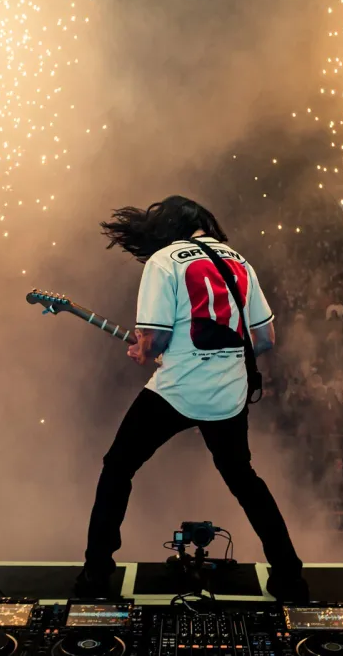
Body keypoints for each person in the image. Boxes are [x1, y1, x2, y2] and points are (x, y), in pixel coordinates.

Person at [77, 196, 307, 600]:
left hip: (178, 389)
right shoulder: (239, 261)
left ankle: (96, 573)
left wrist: (143, 350)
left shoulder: (164, 261)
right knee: (244, 479)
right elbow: (266, 339)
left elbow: (157, 338)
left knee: (117, 468)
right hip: (230, 394)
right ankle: (290, 575)